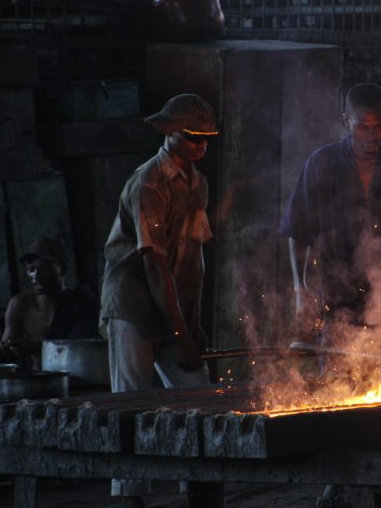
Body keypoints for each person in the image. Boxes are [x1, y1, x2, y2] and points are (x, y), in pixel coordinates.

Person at [100, 93, 217, 505]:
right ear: (169, 133)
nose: (201, 146)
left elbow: (195, 259)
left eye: (206, 139)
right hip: (133, 304)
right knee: (132, 402)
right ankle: (129, 497)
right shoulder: (148, 183)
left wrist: (194, 323)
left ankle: (199, 486)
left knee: (197, 394)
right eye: (192, 137)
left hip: (172, 304)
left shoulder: (197, 184)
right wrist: (179, 332)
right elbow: (154, 266)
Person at [280, 83, 381, 356]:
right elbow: (298, 230)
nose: (372, 137)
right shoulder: (322, 164)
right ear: (345, 121)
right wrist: (300, 292)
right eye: (363, 128)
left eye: (379, 127)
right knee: (338, 383)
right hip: (337, 299)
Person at [0, 237, 100, 370]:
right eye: (31, 269)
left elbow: (82, 351)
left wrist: (43, 346)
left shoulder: (82, 302)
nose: (36, 275)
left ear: (62, 269)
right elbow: (7, 350)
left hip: (76, 377)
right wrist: (0, 351)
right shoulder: (20, 305)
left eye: (44, 269)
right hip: (37, 381)